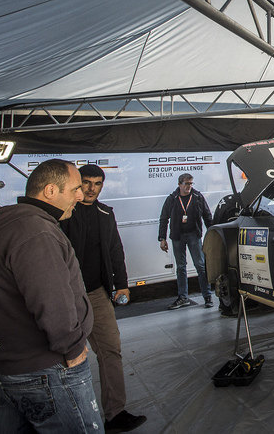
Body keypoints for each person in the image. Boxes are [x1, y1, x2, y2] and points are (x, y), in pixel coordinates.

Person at [0, 159, 102, 432]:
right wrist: (73, 347)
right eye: (76, 188)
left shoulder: (10, 227)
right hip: (45, 371)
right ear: (51, 191)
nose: (81, 195)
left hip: (10, 368)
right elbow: (52, 301)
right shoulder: (36, 232)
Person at [60, 164, 147, 433]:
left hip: (97, 294)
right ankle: (64, 420)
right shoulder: (63, 214)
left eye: (97, 184)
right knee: (62, 359)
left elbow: (115, 249)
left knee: (111, 350)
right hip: (65, 296)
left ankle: (115, 414)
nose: (91, 188)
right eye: (86, 183)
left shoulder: (105, 213)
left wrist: (122, 285)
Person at [159, 172, 214, 309]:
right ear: (179, 184)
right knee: (181, 267)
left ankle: (207, 296)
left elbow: (207, 216)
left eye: (190, 183)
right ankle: (183, 298)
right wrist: (162, 238)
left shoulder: (197, 197)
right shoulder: (172, 199)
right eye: (186, 184)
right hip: (178, 236)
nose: (189, 186)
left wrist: (213, 234)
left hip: (193, 235)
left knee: (200, 266)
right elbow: (164, 218)